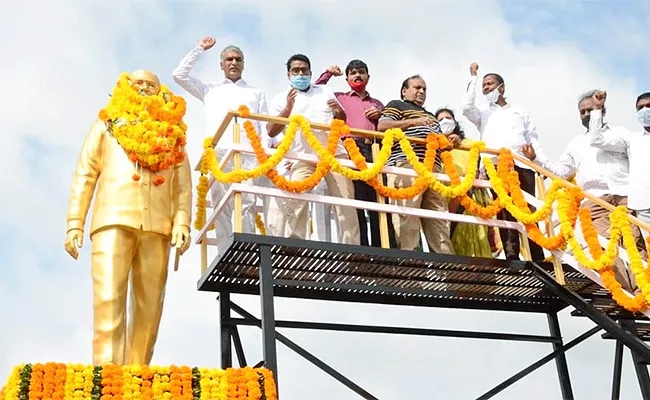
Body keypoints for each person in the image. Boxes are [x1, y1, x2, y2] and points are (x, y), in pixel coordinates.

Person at [64, 70, 192, 365]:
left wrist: (182, 221)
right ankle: (107, 374)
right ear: (126, 87)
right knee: (108, 299)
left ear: (161, 93)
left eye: (151, 85)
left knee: (150, 307)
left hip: (159, 227)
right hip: (113, 220)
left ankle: (138, 374)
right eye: (139, 84)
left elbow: (183, 185)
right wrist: (75, 223)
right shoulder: (107, 124)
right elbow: (85, 174)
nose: (145, 89)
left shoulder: (174, 135)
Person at [521, 90, 647, 294]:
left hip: (624, 197)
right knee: (606, 249)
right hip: (595, 201)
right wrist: (536, 159)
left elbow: (627, 155)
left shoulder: (621, 134)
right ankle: (623, 293)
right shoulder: (576, 143)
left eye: (591, 110)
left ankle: (642, 290)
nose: (587, 114)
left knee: (633, 244)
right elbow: (561, 172)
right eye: (583, 112)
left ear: (602, 110)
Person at [172, 36, 268, 255]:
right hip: (219, 153)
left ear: (243, 64)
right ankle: (226, 252)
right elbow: (179, 75)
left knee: (247, 202)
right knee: (221, 204)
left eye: (238, 59)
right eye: (229, 59)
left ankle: (248, 251)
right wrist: (199, 49)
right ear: (221, 65)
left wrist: (265, 156)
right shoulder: (209, 89)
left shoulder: (257, 92)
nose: (233, 63)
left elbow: (264, 125)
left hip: (248, 153)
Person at [267, 53, 360, 245]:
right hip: (302, 156)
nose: (300, 73)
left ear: (310, 72)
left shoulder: (324, 91)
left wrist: (339, 112)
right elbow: (270, 131)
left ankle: (353, 248)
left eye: (304, 70)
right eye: (296, 70)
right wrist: (288, 108)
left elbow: (340, 121)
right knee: (297, 197)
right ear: (288, 75)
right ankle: (295, 243)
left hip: (333, 155)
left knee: (345, 201)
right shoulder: (280, 98)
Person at [461, 62, 546, 261]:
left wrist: (539, 161)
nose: (486, 88)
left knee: (528, 210)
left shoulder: (519, 111)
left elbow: (532, 137)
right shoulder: (482, 112)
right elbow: (466, 107)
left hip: (523, 164)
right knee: (505, 210)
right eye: (483, 85)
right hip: (496, 164)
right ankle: (512, 257)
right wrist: (473, 77)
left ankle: (538, 257)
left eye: (489, 84)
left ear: (502, 87)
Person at [314, 60, 396, 247]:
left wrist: (380, 115)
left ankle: (383, 248)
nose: (357, 76)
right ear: (347, 78)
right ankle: (363, 250)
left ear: (368, 77)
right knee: (357, 200)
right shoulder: (340, 97)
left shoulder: (378, 103)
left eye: (361, 72)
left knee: (379, 201)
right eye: (353, 73)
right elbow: (314, 92)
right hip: (351, 148)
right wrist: (327, 73)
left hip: (375, 151)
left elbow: (386, 127)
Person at [378, 75, 455, 254]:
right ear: (405, 91)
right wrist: (414, 121)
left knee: (439, 219)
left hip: (434, 170)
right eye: (417, 88)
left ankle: (447, 269)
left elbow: (442, 143)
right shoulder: (397, 105)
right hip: (406, 164)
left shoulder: (431, 117)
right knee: (407, 215)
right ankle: (409, 264)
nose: (421, 92)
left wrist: (452, 140)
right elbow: (382, 126)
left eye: (424, 89)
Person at [435, 108, 493, 258]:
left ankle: (483, 275)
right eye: (440, 120)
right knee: (453, 238)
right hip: (448, 198)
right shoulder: (434, 146)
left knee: (478, 234)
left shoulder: (470, 144)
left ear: (455, 123)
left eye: (448, 118)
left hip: (473, 197)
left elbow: (482, 166)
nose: (445, 121)